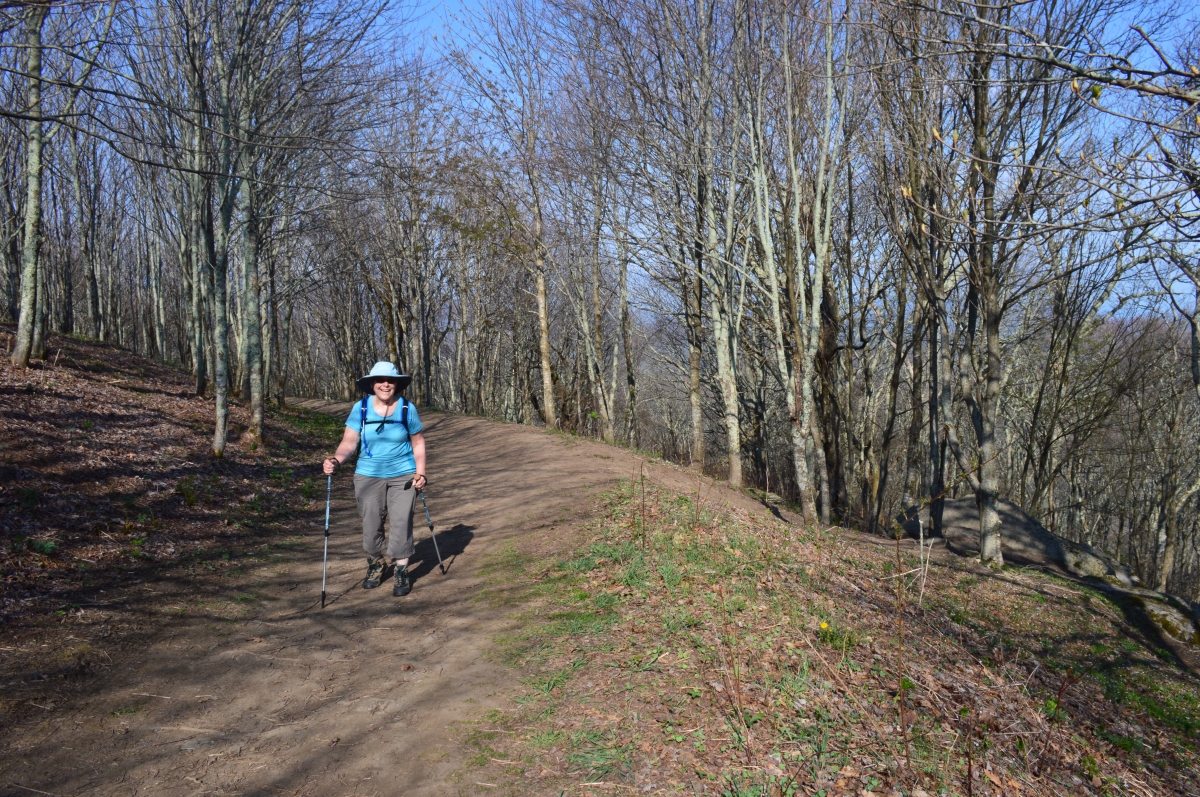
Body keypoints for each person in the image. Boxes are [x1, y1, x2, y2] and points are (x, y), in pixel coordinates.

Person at [323, 362, 427, 597]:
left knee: (402, 522)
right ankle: (376, 563)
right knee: (371, 523)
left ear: (397, 383)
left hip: (403, 474)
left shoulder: (406, 408)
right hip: (368, 475)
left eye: (390, 380)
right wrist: (336, 461)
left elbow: (418, 441)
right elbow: (349, 442)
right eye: (380, 380)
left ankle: (401, 569)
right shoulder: (360, 408)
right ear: (372, 384)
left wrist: (421, 473)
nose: (385, 384)